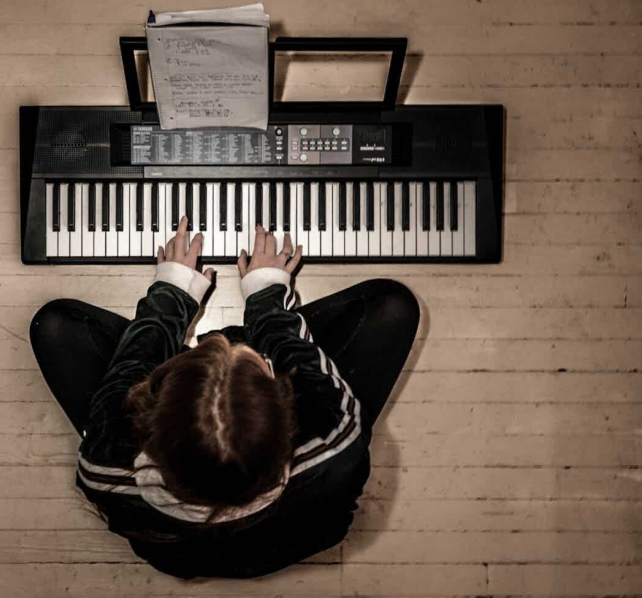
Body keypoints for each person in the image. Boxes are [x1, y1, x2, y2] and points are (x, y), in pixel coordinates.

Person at [30, 216, 420, 579]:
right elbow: (305, 364)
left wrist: (172, 291)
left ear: (151, 408)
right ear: (286, 409)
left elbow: (123, 377)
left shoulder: (106, 469)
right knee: (392, 307)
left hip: (182, 553)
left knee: (54, 326)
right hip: (295, 529)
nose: (226, 341)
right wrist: (266, 293)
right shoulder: (334, 439)